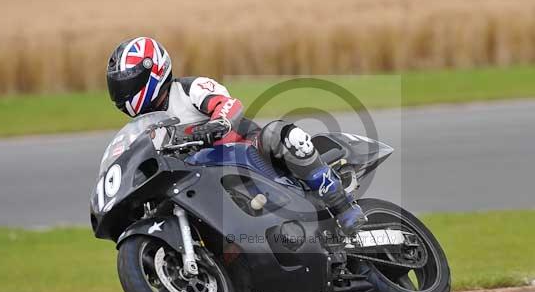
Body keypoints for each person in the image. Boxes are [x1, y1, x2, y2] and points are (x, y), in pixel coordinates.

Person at [105, 36, 367, 234]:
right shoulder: (145, 126)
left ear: (154, 70)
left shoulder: (188, 89)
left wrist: (217, 123)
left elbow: (229, 105)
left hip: (243, 150)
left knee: (283, 134)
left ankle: (342, 205)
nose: (122, 90)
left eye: (127, 81)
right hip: (201, 178)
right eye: (118, 83)